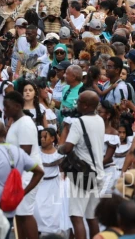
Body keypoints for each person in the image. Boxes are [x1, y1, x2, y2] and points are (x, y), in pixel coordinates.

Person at [58, 91, 106, 239]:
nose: (76, 104)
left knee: (76, 216)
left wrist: (59, 146)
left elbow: (67, 148)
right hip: (98, 172)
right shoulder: (100, 120)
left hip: (83, 175)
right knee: (92, 217)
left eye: (78, 102)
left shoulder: (79, 123)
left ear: (85, 105)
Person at [0, 120, 44, 233]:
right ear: (5, 133)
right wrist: (22, 193)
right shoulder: (19, 152)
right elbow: (39, 172)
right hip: (10, 206)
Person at [4, 91, 41, 239]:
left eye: (7, 106)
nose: (4, 110)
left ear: (18, 106)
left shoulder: (25, 123)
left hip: (28, 174)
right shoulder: (16, 122)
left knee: (25, 213)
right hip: (20, 174)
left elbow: (25, 152)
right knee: (19, 213)